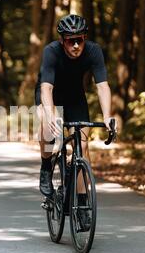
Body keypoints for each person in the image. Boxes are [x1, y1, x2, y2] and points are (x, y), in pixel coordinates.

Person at [35, 14, 116, 210]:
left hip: (75, 97)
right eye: (71, 41)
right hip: (49, 95)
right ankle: (46, 167)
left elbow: (103, 86)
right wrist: (52, 115)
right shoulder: (51, 51)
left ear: (85, 38)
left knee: (82, 146)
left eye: (80, 40)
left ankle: (81, 202)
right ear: (63, 40)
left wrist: (107, 116)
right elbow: (46, 88)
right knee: (47, 127)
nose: (76, 45)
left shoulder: (94, 51)